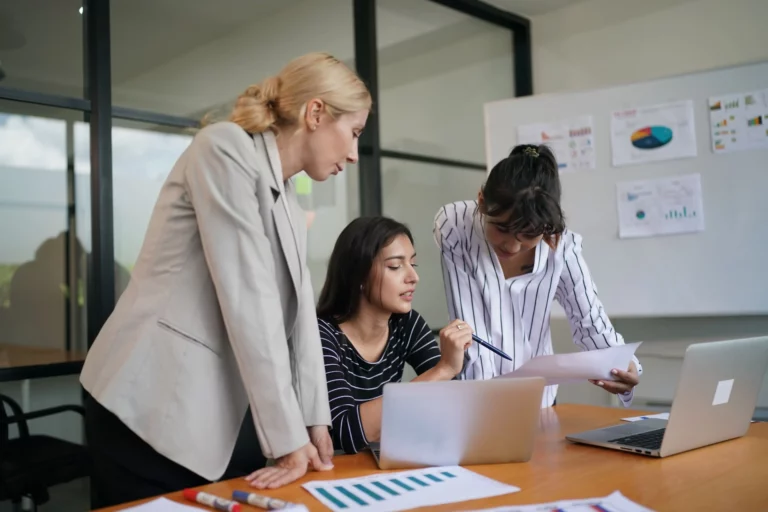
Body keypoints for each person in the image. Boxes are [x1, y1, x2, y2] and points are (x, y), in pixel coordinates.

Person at [80, 52, 372, 507]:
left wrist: (315, 420)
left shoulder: (289, 200)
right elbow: (248, 299)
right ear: (315, 113)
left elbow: (300, 320)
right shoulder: (223, 148)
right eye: (353, 133)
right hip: (145, 401)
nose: (353, 154)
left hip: (203, 414)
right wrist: (287, 440)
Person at [433, 144, 641, 407]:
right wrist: (484, 410)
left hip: (538, 402)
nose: (512, 246)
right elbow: (470, 330)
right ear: (482, 200)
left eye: (529, 235)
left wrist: (625, 366)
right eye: (501, 228)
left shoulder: (562, 248)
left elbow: (590, 322)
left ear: (548, 227)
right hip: (475, 403)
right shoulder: (456, 225)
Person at [316, 217, 472, 454]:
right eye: (395, 266)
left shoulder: (405, 324)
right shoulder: (321, 335)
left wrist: (451, 368)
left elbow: (452, 407)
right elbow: (346, 432)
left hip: (384, 461)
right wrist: (444, 369)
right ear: (359, 276)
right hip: (333, 466)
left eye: (413, 264)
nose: (413, 277)